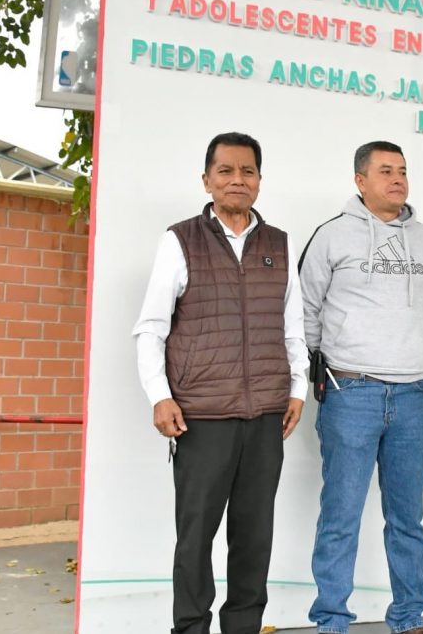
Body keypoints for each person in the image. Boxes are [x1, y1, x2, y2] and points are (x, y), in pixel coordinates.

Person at [133, 132, 308, 634]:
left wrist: (296, 389)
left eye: (247, 171)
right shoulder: (180, 239)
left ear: (259, 180)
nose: (237, 180)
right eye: (226, 171)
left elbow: (291, 326)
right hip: (201, 418)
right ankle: (189, 629)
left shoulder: (279, 244)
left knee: (254, 539)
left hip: (265, 417)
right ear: (207, 179)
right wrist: (160, 395)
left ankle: (243, 628)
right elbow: (152, 326)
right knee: (195, 539)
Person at [299, 141, 423, 634]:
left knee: (408, 518)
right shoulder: (332, 236)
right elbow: (306, 311)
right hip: (351, 393)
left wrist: (404, 344)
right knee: (340, 516)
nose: (397, 179)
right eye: (385, 171)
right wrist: (333, 364)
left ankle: (408, 618)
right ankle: (332, 621)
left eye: (402, 170)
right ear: (360, 181)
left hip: (413, 396)